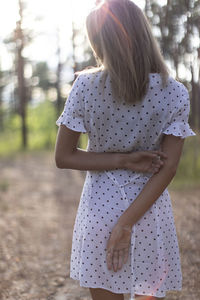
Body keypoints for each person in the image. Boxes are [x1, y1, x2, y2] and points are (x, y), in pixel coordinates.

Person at [55, 0, 196, 299]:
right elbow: (168, 167)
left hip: (99, 211)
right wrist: (126, 224)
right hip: (148, 213)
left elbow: (64, 156)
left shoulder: (85, 86)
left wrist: (122, 160)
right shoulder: (174, 92)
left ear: (100, 42)